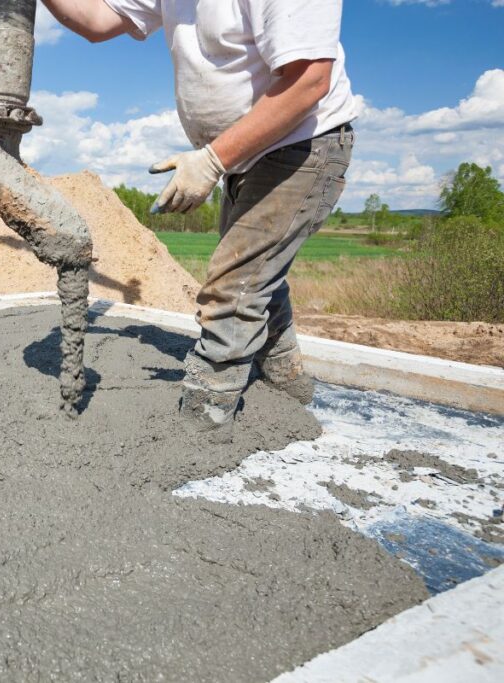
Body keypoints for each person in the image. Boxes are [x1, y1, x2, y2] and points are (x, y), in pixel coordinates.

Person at [40, 0, 356, 438]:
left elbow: (309, 80)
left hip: (304, 145)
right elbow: (96, 21)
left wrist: (211, 161)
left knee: (233, 287)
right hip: (247, 156)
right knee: (257, 276)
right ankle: (289, 389)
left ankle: (202, 426)